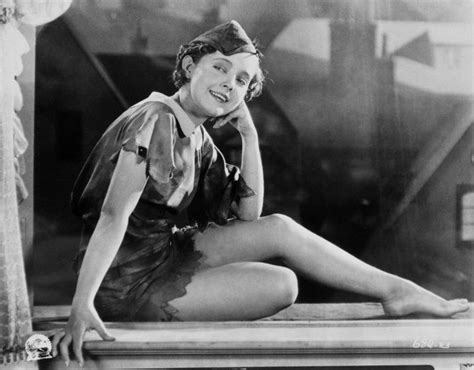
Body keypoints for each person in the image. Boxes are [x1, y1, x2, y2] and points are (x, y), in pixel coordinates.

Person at [52, 20, 469, 367]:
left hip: (160, 253)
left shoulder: (193, 133)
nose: (228, 84)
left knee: (281, 229)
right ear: (189, 63)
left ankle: (396, 290)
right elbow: (111, 217)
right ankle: (395, 291)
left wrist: (249, 135)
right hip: (124, 284)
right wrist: (81, 304)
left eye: (241, 80)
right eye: (218, 68)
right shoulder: (154, 120)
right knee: (282, 285)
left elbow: (251, 217)